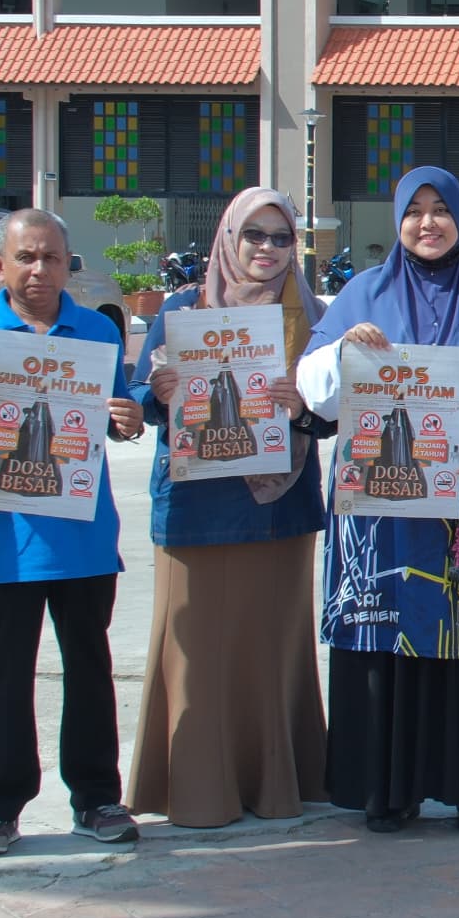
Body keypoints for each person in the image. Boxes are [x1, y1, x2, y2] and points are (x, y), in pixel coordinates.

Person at [299, 168, 459, 834]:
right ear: (398, 220)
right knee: (384, 636)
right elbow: (314, 390)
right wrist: (343, 351)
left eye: (441, 210)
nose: (427, 223)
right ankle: (387, 787)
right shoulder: (361, 295)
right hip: (381, 512)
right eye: (414, 211)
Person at [0, 209, 145, 856]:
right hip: (1, 539)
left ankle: (97, 798)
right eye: (25, 257)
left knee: (90, 670)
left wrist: (129, 419)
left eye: (51, 257)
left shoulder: (97, 332)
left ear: (67, 264)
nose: (39, 270)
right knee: (2, 676)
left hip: (82, 537)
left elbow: (120, 422)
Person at [126, 188, 330, 828]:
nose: (268, 249)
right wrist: (158, 391)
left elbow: (333, 414)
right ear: (229, 237)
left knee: (270, 650)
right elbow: (139, 396)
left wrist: (302, 407)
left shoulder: (313, 316)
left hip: (280, 509)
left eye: (281, 237)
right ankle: (199, 789)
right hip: (198, 504)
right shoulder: (184, 309)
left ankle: (274, 782)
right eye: (254, 235)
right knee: (196, 650)